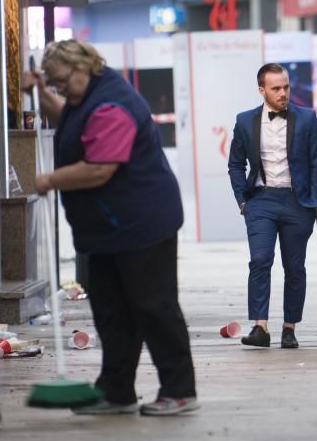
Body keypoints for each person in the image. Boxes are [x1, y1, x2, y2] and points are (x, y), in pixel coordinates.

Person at [28, 39, 198, 416]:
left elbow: (100, 167)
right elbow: (69, 117)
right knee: (111, 311)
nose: (59, 90)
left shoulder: (113, 106)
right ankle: (116, 390)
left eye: (60, 82)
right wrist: (40, 93)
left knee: (153, 306)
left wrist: (48, 180)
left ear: (82, 68)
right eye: (52, 83)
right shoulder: (86, 97)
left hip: (141, 224)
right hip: (106, 230)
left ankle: (180, 389)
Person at [228, 63, 317, 349]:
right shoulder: (245, 121)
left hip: (298, 202)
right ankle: (260, 327)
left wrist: (315, 201)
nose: (283, 93)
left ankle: (289, 328)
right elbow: (235, 163)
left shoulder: (308, 118)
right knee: (260, 260)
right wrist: (242, 200)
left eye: (285, 87)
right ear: (262, 90)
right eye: (276, 88)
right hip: (261, 200)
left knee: (294, 267)